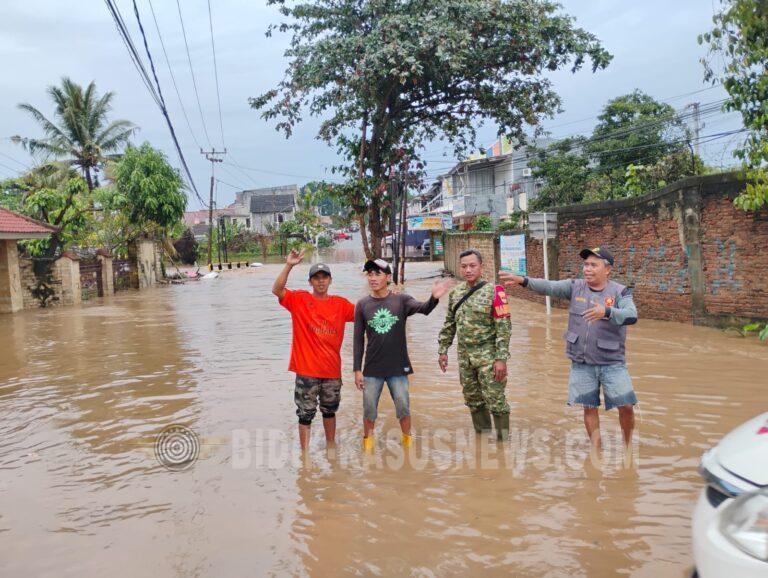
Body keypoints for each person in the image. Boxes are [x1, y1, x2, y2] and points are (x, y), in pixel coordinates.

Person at [499, 246, 638, 453]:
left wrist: (607, 311)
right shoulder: (575, 287)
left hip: (612, 362)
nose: (587, 269)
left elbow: (631, 315)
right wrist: (523, 280)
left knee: (626, 406)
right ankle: (597, 450)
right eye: (586, 264)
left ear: (607, 269)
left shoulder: (620, 292)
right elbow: (549, 286)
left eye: (593, 265)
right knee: (589, 407)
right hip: (582, 362)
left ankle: (628, 447)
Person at [353, 258, 451, 451]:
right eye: (370, 274)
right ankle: (368, 445)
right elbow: (357, 339)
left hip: (398, 367)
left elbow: (424, 309)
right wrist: (357, 369)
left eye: (377, 274)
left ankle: (407, 444)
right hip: (372, 369)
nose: (373, 278)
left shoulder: (401, 300)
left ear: (388, 277)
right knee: (369, 410)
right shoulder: (363, 304)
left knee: (403, 407)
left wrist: (434, 298)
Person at [272, 249, 355, 451]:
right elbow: (277, 290)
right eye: (316, 278)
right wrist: (289, 265)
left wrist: (388, 298)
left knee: (330, 411)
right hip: (306, 370)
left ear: (330, 280)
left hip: (331, 371)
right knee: (305, 414)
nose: (320, 281)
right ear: (310, 282)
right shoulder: (299, 300)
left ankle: (331, 448)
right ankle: (305, 455)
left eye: (324, 277)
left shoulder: (341, 304)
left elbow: (366, 313)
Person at [437, 249, 512, 440]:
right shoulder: (456, 294)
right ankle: (483, 441)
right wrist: (443, 350)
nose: (468, 270)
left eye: (472, 266)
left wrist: (501, 359)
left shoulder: (495, 292)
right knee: (473, 400)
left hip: (489, 357)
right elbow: (449, 324)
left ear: (481, 267)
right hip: (465, 358)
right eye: (464, 266)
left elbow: (504, 328)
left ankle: (503, 444)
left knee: (496, 400)